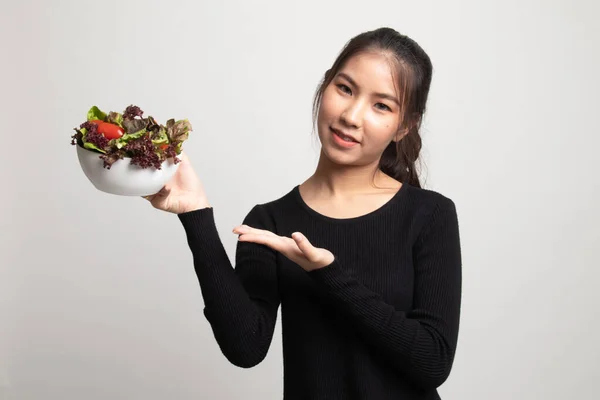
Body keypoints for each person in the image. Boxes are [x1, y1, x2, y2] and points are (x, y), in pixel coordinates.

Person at [144, 27, 462, 400]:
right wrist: (195, 216)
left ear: (404, 126)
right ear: (325, 86)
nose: (352, 115)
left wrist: (327, 274)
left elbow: (433, 363)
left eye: (382, 105)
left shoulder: (430, 214)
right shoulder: (271, 222)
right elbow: (245, 349)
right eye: (345, 88)